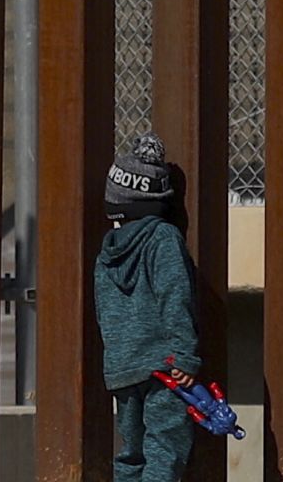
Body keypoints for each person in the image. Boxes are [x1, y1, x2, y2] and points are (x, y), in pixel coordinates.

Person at [95, 131, 201, 482]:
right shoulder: (163, 239)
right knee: (165, 450)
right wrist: (184, 356)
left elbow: (105, 313)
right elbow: (176, 297)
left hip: (123, 370)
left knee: (131, 455)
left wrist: (117, 360)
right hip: (163, 368)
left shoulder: (107, 252)